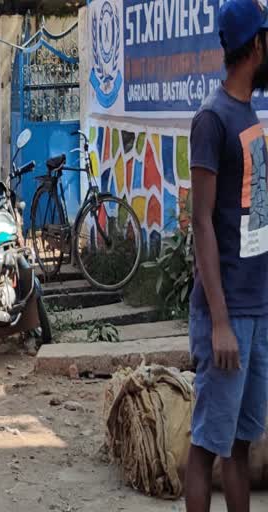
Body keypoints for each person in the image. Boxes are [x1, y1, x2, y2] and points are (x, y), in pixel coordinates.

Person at [186, 1, 268, 511]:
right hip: (227, 313)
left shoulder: (250, 114)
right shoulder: (212, 120)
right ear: (257, 45)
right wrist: (219, 321)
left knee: (239, 445)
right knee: (205, 447)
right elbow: (202, 223)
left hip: (256, 308)